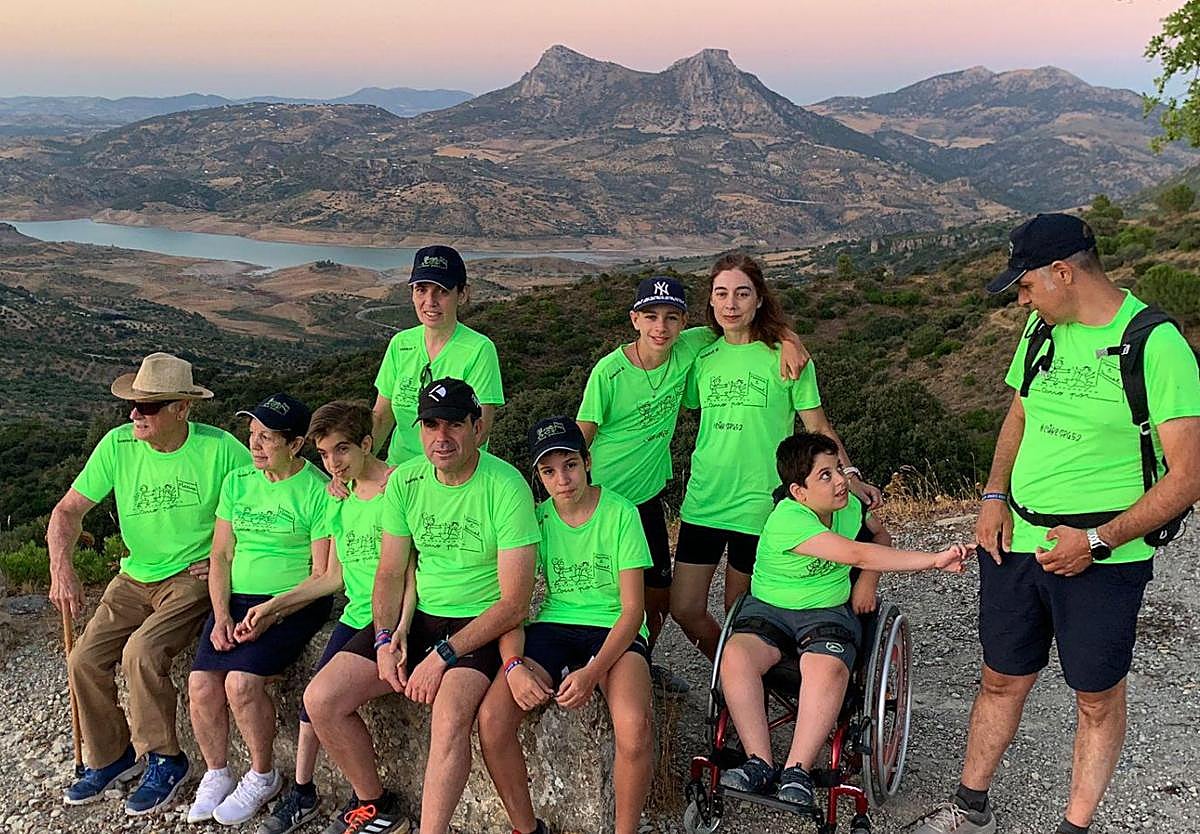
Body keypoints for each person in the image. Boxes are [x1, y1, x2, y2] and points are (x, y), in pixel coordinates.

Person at [914, 214, 1200, 834]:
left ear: (1063, 272)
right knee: (1000, 677)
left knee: (1095, 699)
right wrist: (992, 496)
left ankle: (1074, 826)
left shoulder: (1156, 344)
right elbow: (1019, 416)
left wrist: (1096, 542)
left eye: (1025, 284)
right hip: (1018, 541)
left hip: (1103, 558)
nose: (1020, 298)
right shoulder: (1043, 329)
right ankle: (970, 808)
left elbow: (1187, 477)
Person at [304, 377, 539, 834]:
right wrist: (385, 639)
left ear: (476, 426)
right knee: (321, 699)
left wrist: (444, 656)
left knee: (450, 718)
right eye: (430, 425)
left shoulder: (505, 487)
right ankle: (376, 803)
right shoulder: (407, 481)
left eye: (453, 425)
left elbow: (514, 603)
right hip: (423, 616)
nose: (441, 437)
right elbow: (390, 573)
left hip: (480, 622)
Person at [576, 275, 808, 692]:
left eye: (671, 318)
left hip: (646, 500)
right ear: (634, 319)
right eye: (650, 317)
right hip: (605, 500)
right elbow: (580, 438)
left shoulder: (692, 347)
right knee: (606, 594)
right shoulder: (609, 373)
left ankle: (654, 662)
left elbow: (742, 322)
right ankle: (603, 670)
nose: (660, 328)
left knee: (659, 596)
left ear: (684, 322)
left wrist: (790, 338)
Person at [718, 432, 969, 806]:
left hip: (826, 612)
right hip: (769, 610)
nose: (840, 481)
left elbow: (878, 538)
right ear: (798, 491)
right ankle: (759, 762)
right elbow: (856, 553)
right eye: (825, 475)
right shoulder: (788, 519)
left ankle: (797, 770)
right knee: (735, 656)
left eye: (838, 470)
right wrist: (933, 559)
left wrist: (868, 581)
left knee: (827, 668)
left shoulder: (849, 505)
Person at [49, 352, 251, 814]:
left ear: (182, 408)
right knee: (84, 658)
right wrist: (63, 568)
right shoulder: (118, 445)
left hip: (191, 575)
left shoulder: (220, 450)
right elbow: (67, 512)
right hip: (134, 574)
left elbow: (266, 494)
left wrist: (229, 562)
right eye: (135, 405)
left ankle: (165, 758)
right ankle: (112, 757)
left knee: (141, 652)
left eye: (150, 406)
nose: (136, 414)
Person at [671, 253, 882, 660]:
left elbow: (817, 426)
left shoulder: (787, 358)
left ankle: (751, 684)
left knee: (742, 612)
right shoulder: (701, 355)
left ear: (759, 299)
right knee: (685, 609)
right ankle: (730, 672)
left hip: (759, 502)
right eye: (721, 294)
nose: (731, 304)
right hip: (705, 498)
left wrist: (849, 474)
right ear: (711, 302)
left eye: (742, 293)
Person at [478, 416, 654, 834]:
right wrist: (513, 666)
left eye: (570, 464)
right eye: (549, 470)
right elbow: (513, 604)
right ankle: (527, 827)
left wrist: (594, 671)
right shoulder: (535, 519)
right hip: (555, 623)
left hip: (614, 628)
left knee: (634, 726)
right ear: (538, 476)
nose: (563, 479)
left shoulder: (620, 513)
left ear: (587, 461)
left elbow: (632, 610)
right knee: (493, 718)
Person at [186, 394, 333, 826]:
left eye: (267, 437)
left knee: (241, 683)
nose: (255, 445)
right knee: (200, 683)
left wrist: (273, 610)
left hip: (292, 602)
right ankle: (216, 772)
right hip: (234, 599)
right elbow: (221, 556)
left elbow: (321, 573)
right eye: (253, 435)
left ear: (296, 443)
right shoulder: (237, 482)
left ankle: (262, 774)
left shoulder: (318, 491)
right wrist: (221, 614)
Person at [250, 401, 393, 834]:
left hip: (389, 616)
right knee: (311, 702)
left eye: (342, 450)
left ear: (368, 443)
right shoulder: (341, 496)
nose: (333, 463)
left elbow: (414, 570)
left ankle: (370, 802)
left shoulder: (401, 487)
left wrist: (396, 631)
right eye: (326, 454)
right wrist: (275, 605)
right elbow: (331, 577)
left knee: (322, 699)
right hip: (356, 613)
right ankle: (303, 791)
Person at [367, 245, 503, 468]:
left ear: (462, 294)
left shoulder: (479, 349)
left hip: (452, 477)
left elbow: (480, 430)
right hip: (394, 474)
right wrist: (361, 465)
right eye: (421, 289)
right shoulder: (401, 344)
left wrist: (417, 475)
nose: (430, 301)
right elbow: (382, 417)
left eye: (442, 291)